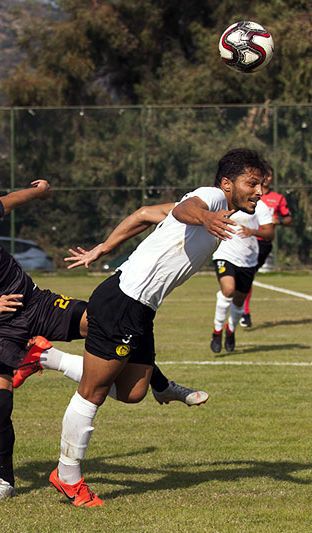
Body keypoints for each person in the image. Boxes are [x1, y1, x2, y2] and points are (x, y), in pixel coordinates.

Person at [0, 183, 208, 503]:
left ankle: (159, 384)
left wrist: (41, 191)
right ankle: (5, 481)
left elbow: (9, 201)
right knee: (0, 404)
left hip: (38, 305)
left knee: (112, 325)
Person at [50, 147, 265, 507]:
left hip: (140, 308)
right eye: (252, 183)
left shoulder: (217, 210)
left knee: (134, 392)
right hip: (124, 299)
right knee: (93, 393)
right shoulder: (211, 199)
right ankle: (68, 475)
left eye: (262, 185)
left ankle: (47, 357)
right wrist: (205, 218)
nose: (259, 192)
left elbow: (144, 214)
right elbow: (186, 209)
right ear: (228, 184)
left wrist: (103, 247)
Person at [210, 181, 274, 353]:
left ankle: (230, 330)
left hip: (248, 259)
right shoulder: (224, 203)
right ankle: (217, 331)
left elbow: (270, 233)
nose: (257, 190)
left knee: (239, 300)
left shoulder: (260, 207)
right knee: (228, 290)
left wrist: (253, 231)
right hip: (224, 254)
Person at [239, 165, 292, 327]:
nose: (267, 179)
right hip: (246, 240)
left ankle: (242, 310)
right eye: (264, 176)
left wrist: (280, 221)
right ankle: (244, 313)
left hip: (263, 242)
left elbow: (288, 219)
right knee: (245, 276)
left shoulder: (278, 198)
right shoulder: (250, 195)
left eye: (269, 176)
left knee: (248, 276)